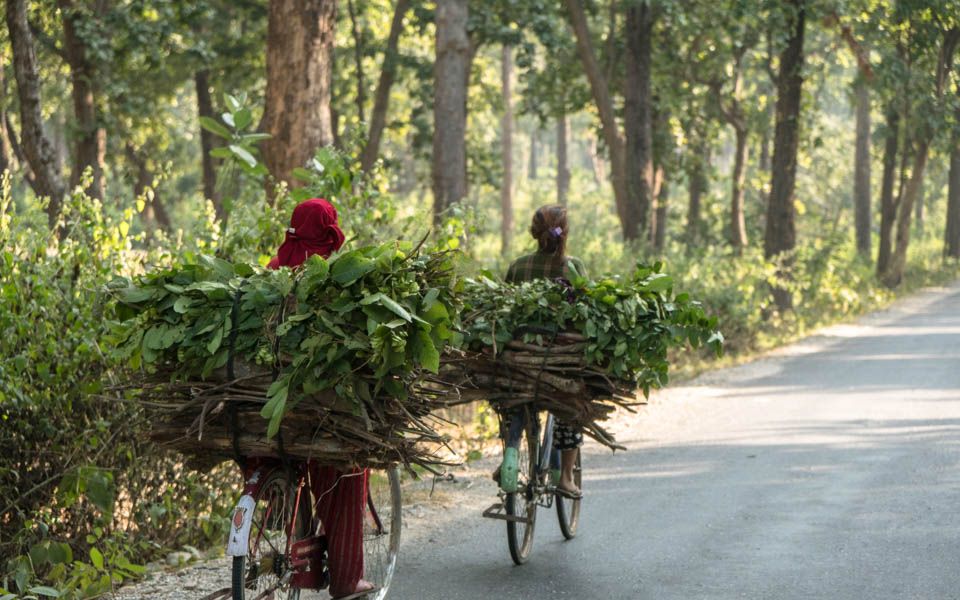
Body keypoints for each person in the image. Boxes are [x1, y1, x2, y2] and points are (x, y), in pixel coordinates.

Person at [266, 198, 375, 598]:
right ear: (328, 229)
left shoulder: (273, 272)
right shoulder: (336, 278)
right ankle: (347, 580)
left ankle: (280, 515)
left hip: (270, 412)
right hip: (318, 413)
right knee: (347, 469)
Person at [503, 204, 585, 498]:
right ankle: (565, 477)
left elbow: (504, 312)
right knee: (571, 408)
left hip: (520, 359)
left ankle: (508, 453)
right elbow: (584, 314)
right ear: (565, 234)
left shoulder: (518, 266)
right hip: (556, 361)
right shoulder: (571, 268)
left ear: (535, 232)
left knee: (512, 402)